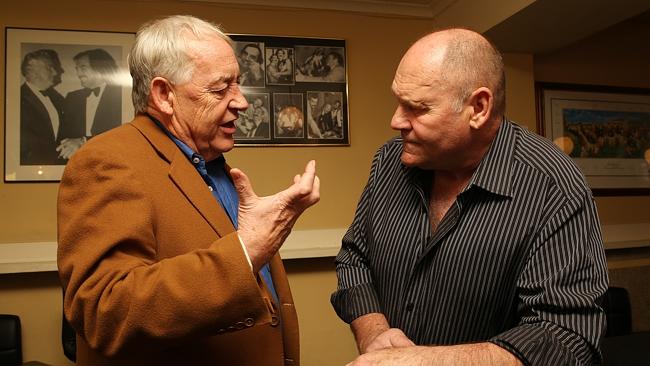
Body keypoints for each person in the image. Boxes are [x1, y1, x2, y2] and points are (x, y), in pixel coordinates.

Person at [331, 28, 607, 366]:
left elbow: (565, 336)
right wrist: (373, 332)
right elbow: (354, 258)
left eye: (417, 107)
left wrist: (418, 362)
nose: (396, 121)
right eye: (398, 101)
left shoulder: (552, 187)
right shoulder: (389, 162)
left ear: (478, 107)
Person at [57, 15, 319, 366]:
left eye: (238, 84)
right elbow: (105, 310)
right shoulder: (107, 161)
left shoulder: (213, 164)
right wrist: (249, 249)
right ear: (164, 95)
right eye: (220, 88)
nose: (241, 102)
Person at [57, 48, 122, 159]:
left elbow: (119, 135)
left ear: (100, 68)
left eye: (83, 68)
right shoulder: (72, 97)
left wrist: (83, 141)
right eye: (77, 69)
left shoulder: (121, 95)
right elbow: (63, 135)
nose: (78, 73)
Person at [19, 49, 66, 165]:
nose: (55, 72)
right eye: (50, 68)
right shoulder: (18, 100)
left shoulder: (58, 98)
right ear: (33, 72)